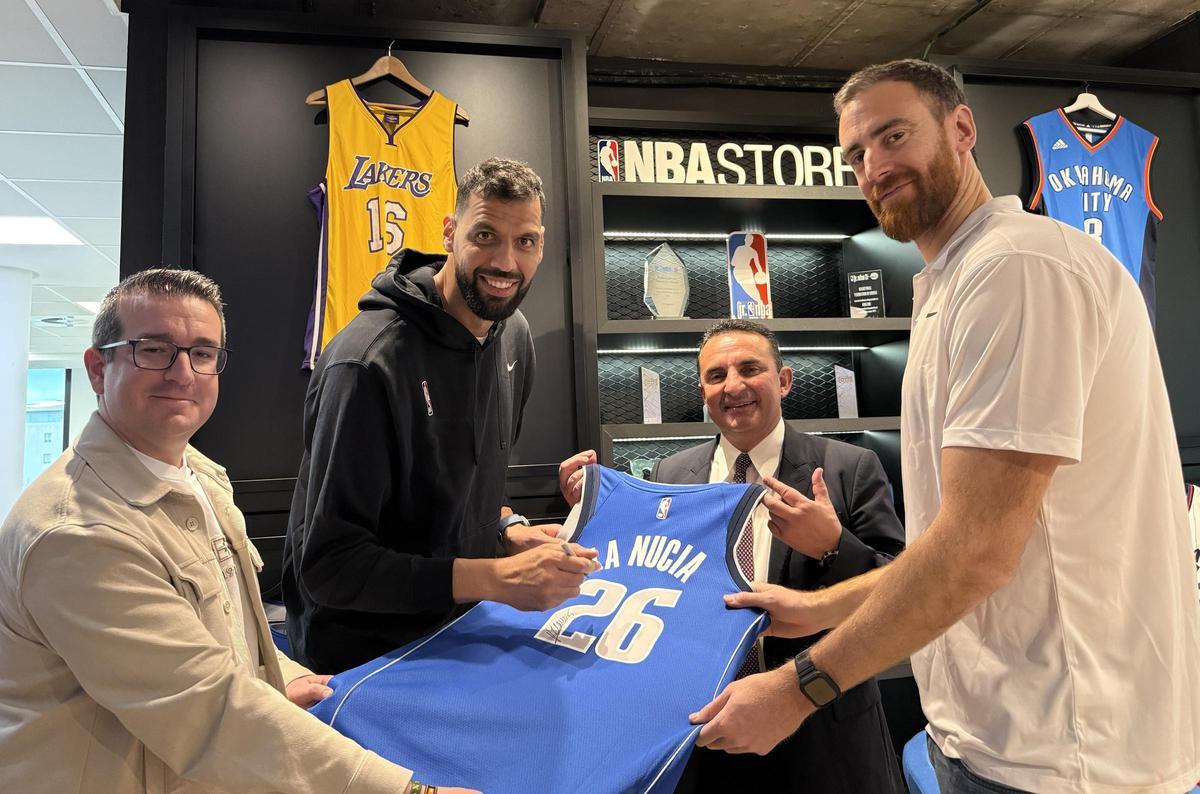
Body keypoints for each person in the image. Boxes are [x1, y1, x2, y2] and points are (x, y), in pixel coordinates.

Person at [685, 59, 1200, 793]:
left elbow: (977, 552)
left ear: (962, 128)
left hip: (1068, 755)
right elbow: (951, 548)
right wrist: (816, 608)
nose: (875, 166)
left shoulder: (1015, 269)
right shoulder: (955, 285)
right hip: (999, 737)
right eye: (856, 154)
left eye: (894, 135)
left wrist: (798, 689)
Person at [0, 268, 474, 793]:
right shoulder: (78, 533)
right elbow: (207, 713)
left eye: (203, 353)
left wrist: (276, 678)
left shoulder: (200, 477)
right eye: (153, 349)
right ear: (97, 368)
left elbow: (220, 633)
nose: (182, 373)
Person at [559, 318, 905, 793]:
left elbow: (903, 591)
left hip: (819, 732)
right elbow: (636, 573)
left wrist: (832, 546)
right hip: (700, 733)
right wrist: (590, 515)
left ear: (783, 380)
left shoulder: (849, 467)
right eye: (716, 375)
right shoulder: (670, 474)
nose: (733, 386)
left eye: (750, 369)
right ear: (702, 390)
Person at [283, 157, 599, 674]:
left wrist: (508, 531)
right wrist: (497, 579)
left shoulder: (513, 335)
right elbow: (330, 566)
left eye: (526, 242)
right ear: (450, 233)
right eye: (485, 235)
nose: (505, 263)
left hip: (459, 636)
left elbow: (464, 486)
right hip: (364, 661)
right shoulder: (364, 364)